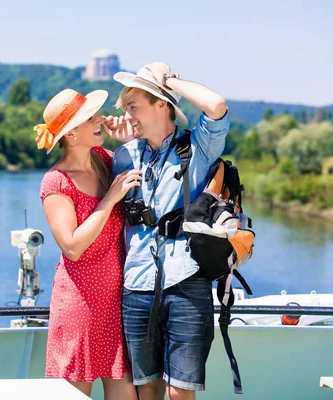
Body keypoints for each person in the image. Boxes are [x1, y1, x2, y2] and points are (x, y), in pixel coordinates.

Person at [106, 62, 230, 400]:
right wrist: (127, 131)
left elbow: (217, 106)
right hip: (137, 285)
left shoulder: (198, 148)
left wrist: (168, 81)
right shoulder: (124, 156)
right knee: (148, 389)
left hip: (187, 281)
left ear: (161, 104)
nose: (126, 114)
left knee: (179, 393)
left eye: (133, 106)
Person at [36, 88, 139, 399]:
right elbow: (72, 246)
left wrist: (127, 142)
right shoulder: (57, 181)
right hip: (80, 305)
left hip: (117, 303)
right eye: (89, 118)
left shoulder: (108, 161)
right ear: (71, 135)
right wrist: (110, 199)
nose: (99, 120)